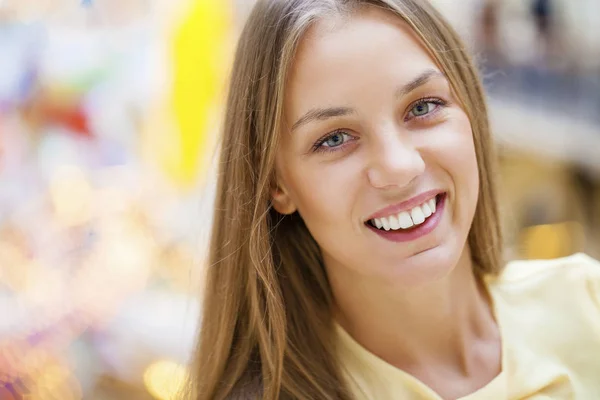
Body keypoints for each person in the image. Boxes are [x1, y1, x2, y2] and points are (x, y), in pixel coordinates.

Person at [187, 0, 600, 399]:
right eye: (334, 138)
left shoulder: (586, 303)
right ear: (277, 184)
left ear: (471, 110)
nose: (399, 166)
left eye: (423, 106)